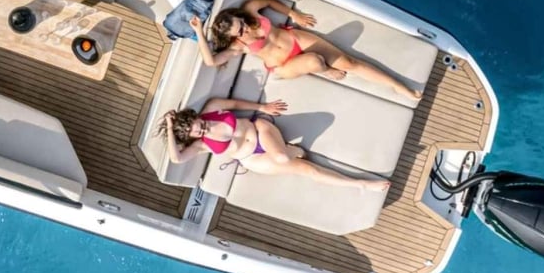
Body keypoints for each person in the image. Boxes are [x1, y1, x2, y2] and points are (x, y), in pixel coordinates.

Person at [189, 0, 421, 101]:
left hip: (296, 39)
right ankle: (326, 71)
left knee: (351, 63)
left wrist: (293, 14)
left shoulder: (250, 9)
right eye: (239, 33)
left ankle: (398, 86)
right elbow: (211, 61)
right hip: (284, 65)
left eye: (241, 25)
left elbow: (267, 2)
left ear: (239, 16)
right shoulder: (238, 46)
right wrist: (199, 32)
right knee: (315, 61)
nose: (244, 31)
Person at [159, 98, 390, 191]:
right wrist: (169, 128)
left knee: (282, 157)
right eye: (198, 132)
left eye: (200, 125)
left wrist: (262, 107)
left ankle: (292, 150)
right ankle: (361, 184)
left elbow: (235, 104)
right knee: (308, 170)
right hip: (252, 158)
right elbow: (176, 158)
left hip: (260, 130)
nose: (203, 130)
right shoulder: (201, 145)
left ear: (195, 116)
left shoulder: (212, 108)